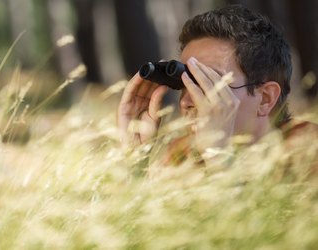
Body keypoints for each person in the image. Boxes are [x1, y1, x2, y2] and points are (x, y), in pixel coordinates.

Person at [117, 5, 318, 168]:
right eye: (184, 84)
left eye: (209, 83)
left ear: (265, 98)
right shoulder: (181, 157)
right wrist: (136, 159)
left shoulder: (309, 150)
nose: (186, 102)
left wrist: (220, 160)